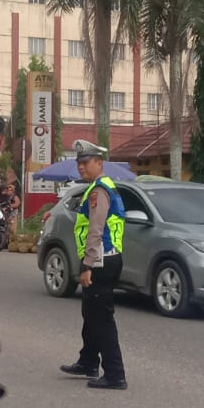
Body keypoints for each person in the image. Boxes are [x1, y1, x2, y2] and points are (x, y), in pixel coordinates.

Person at [60, 141, 126, 389]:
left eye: (86, 162)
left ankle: (115, 374)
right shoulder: (96, 189)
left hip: (100, 259)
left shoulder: (99, 191)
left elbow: (96, 230)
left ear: (100, 163)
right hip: (103, 257)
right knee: (91, 313)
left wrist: (87, 265)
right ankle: (88, 361)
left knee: (101, 318)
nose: (81, 167)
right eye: (79, 163)